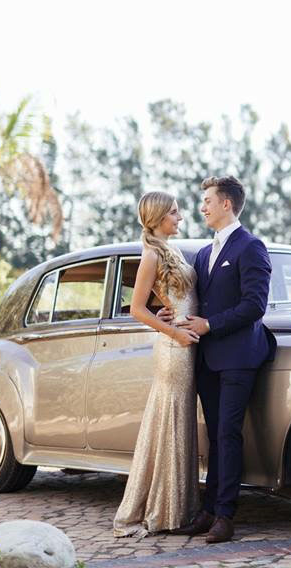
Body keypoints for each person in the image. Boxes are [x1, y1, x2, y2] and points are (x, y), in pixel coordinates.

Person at [164, 175, 277, 543]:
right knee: (213, 435)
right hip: (207, 359)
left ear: (226, 204)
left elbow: (254, 306)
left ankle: (225, 517)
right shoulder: (203, 253)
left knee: (228, 434)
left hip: (239, 358)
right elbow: (194, 301)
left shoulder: (251, 247)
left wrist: (210, 324)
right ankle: (209, 510)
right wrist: (171, 316)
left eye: (208, 200)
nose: (202, 207)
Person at [112, 192, 202, 538]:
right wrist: (173, 332)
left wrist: (166, 310)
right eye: (175, 212)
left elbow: (168, 297)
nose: (180, 217)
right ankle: (163, 511)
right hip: (173, 348)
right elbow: (136, 308)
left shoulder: (170, 249)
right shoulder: (150, 253)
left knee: (179, 422)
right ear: (160, 217)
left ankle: (177, 506)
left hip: (185, 343)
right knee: (171, 419)